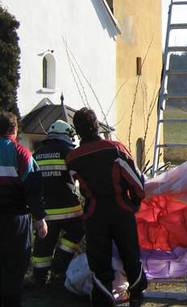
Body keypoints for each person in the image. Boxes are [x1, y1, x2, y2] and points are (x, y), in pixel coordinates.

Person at [66, 108, 147, 307]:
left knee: (99, 261)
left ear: (77, 130)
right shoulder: (115, 148)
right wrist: (135, 202)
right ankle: (136, 296)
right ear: (97, 125)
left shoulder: (73, 158)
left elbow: (73, 186)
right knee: (131, 255)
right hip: (121, 209)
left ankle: (104, 299)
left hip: (94, 213)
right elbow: (137, 182)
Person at [0, 111, 48, 307]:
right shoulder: (22, 154)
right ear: (15, 129)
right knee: (16, 266)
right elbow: (33, 189)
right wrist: (40, 218)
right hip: (16, 219)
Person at [31, 120, 84, 286]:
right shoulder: (69, 152)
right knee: (77, 232)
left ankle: (39, 278)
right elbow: (80, 178)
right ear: (67, 135)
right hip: (70, 210)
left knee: (43, 245)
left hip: (44, 212)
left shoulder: (37, 153)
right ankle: (59, 266)